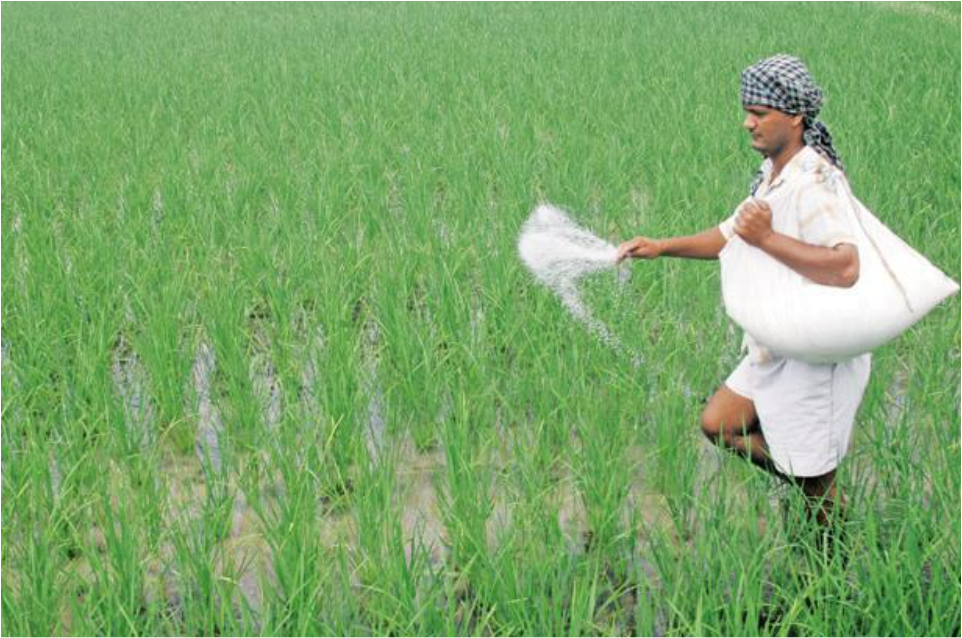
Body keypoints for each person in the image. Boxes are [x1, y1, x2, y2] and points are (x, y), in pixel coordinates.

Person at [617, 55, 871, 535]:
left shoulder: (815, 183)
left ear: (794, 116)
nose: (747, 122)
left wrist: (768, 240)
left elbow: (846, 265)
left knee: (816, 479)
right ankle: (809, 486)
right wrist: (660, 247)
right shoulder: (774, 173)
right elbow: (732, 233)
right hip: (777, 338)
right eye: (746, 110)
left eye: (759, 112)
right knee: (719, 423)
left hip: (814, 349)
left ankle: (836, 560)